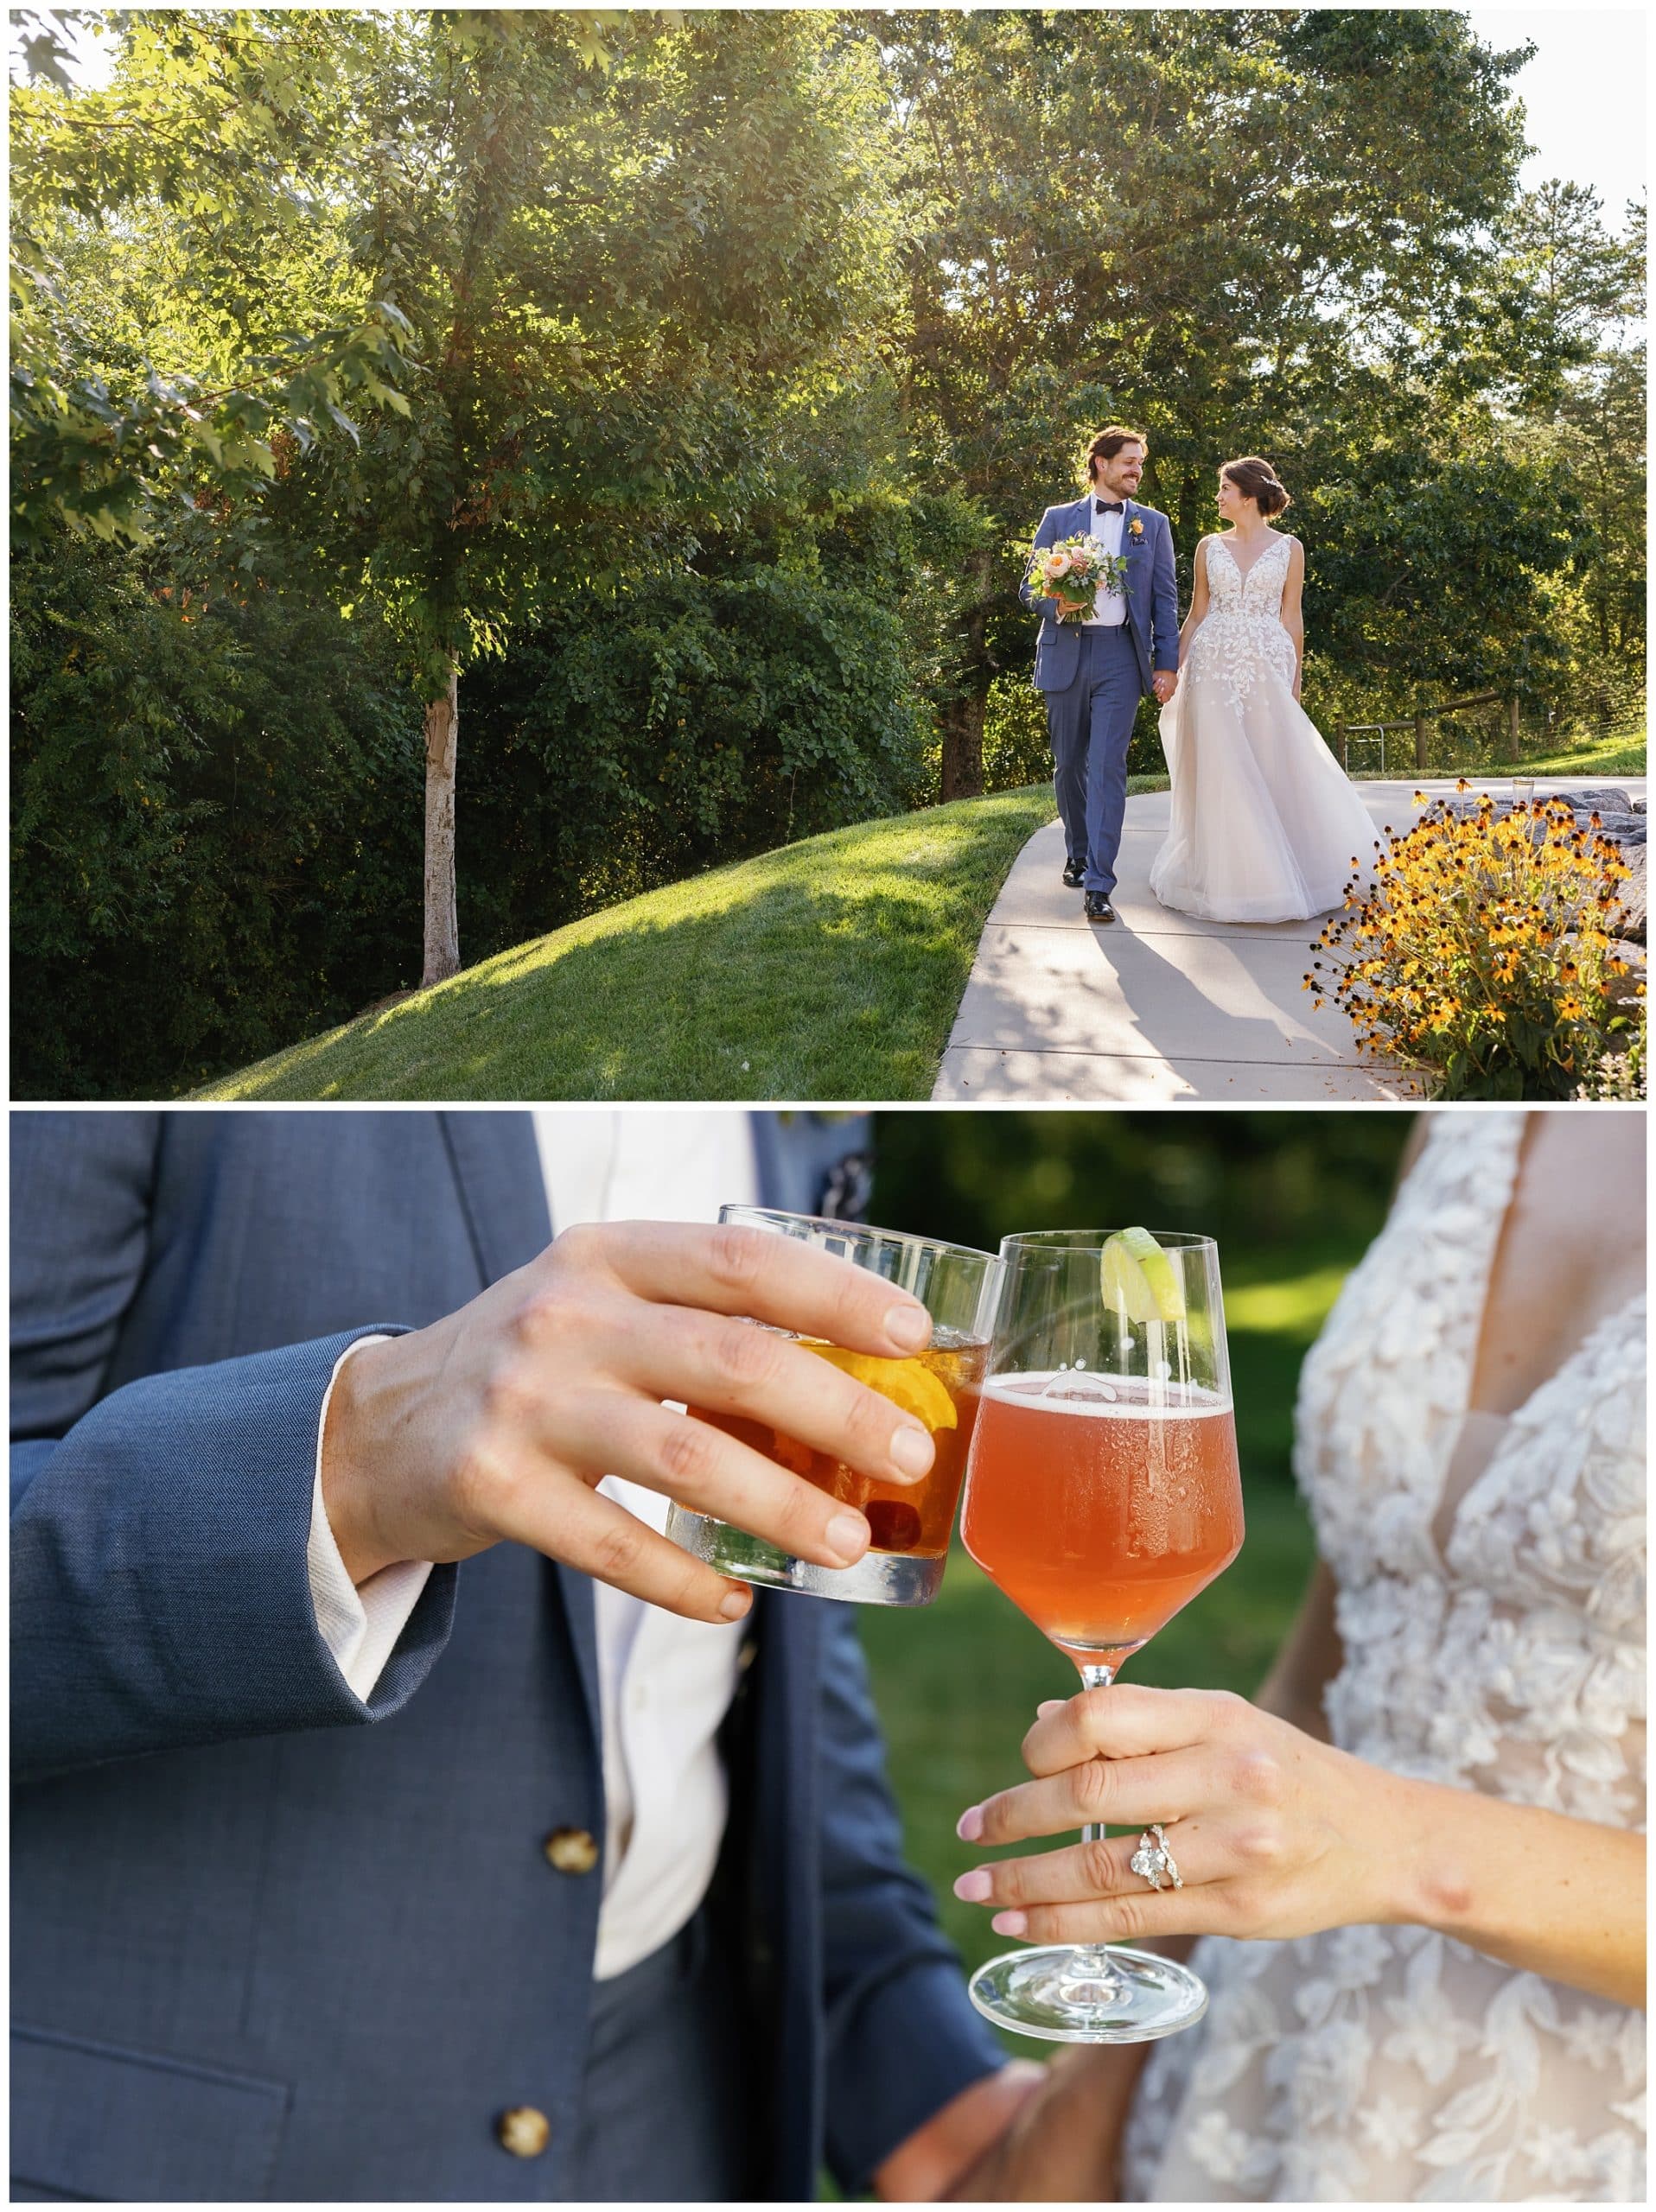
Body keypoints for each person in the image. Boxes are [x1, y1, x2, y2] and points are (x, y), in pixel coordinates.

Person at [10, 1109, 1038, 2202]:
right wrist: (351, 1466)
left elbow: (769, 1658)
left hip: (673, 2129)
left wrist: (922, 2085)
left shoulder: (810, 1040)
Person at [951, 1108, 1646, 2202]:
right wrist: (1089, 2087)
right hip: (1250, 2061)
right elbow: (1318, 1682)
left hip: (1567, 2127)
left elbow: (1349, 1811)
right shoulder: (1480, 1108)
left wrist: (1404, 1845)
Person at [1149, 456, 1378, 923]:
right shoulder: (1208, 546)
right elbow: (1196, 614)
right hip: (1212, 665)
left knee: (1273, 761)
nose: (1218, 497)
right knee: (1220, 766)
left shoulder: (1290, 547)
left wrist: (1295, 679)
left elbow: (1292, 616)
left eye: (1225, 489)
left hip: (1268, 665)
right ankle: (1229, 877)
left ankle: (1290, 870)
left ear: (1248, 496)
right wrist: (1174, 670)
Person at [1021, 426, 1181, 925]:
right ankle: (1078, 848)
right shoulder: (1058, 518)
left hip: (1119, 658)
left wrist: (1166, 662)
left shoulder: (1153, 525)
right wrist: (1056, 604)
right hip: (1065, 651)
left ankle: (1098, 884)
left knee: (1108, 769)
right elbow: (1029, 587)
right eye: (1129, 462)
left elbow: (1164, 599)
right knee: (1069, 765)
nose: (1137, 471)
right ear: (1101, 464)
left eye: (1140, 463)